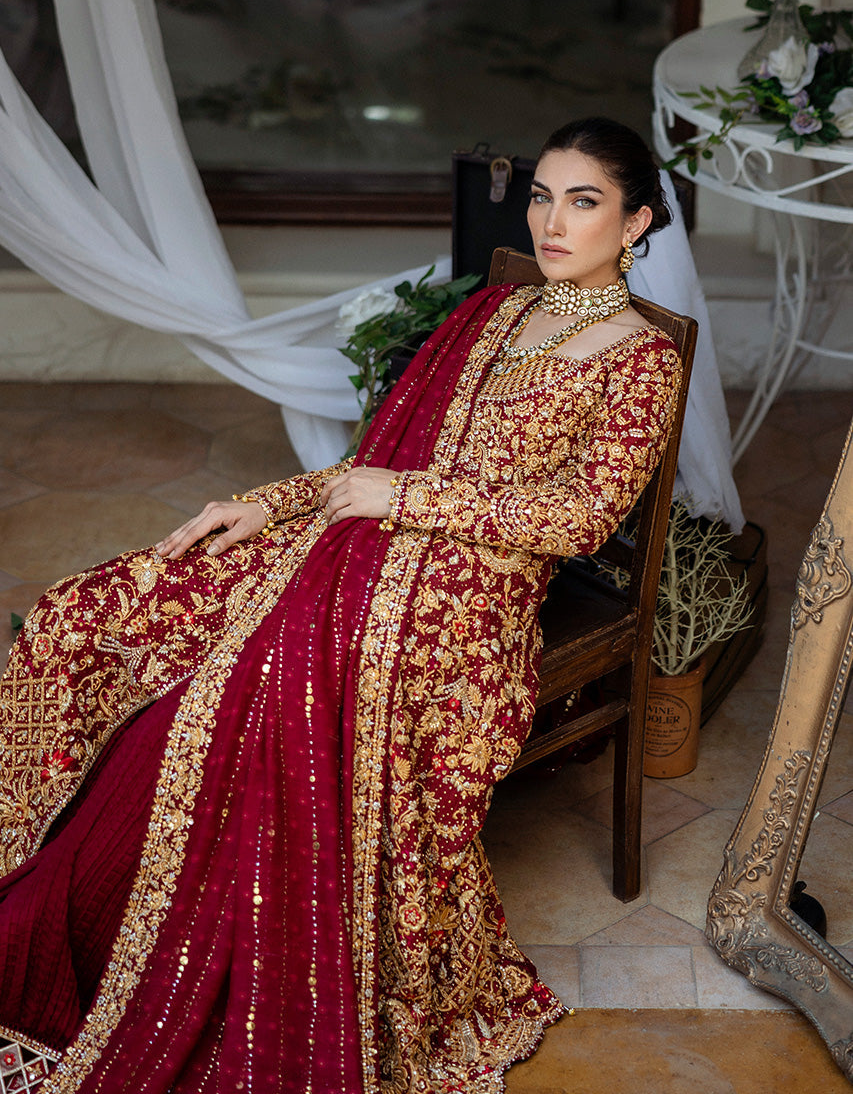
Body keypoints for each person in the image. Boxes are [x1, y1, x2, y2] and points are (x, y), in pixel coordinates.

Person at [0, 117, 682, 1094]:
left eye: (583, 201)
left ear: (635, 222)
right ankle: (76, 905)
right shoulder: (495, 310)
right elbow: (369, 464)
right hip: (366, 534)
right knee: (106, 606)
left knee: (266, 682)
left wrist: (402, 498)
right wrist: (266, 503)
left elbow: (580, 520)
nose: (552, 221)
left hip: (471, 595)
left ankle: (157, 933)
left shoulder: (640, 360)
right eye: (542, 196)